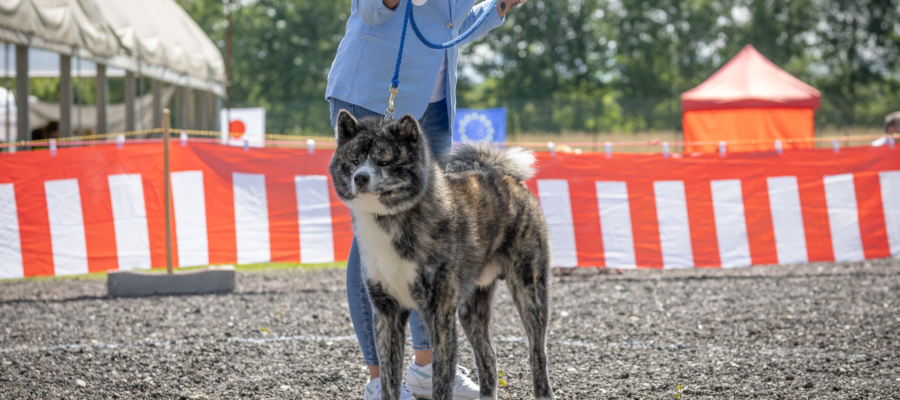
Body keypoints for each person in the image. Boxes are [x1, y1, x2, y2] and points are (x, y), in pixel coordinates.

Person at [325, 0, 523, 398]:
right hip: (371, 92)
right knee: (372, 234)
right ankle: (381, 378)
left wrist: (499, 8)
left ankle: (425, 366)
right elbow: (371, 11)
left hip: (432, 109)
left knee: (431, 238)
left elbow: (455, 24)